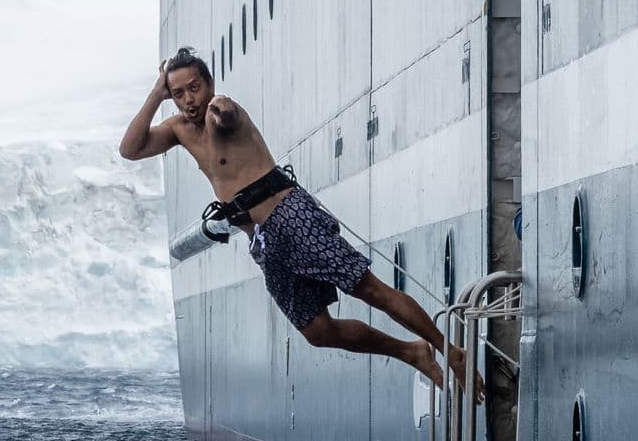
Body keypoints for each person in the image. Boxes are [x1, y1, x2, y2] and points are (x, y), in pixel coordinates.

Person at [120, 47, 478, 395]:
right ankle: (411, 352)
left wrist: (221, 113)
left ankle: (451, 351)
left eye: (195, 88)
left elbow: (225, 114)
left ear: (209, 84)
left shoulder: (221, 109)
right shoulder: (179, 129)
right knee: (317, 331)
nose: (189, 100)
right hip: (263, 240)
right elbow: (130, 149)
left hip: (291, 217)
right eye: (179, 93)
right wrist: (155, 93)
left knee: (368, 289)